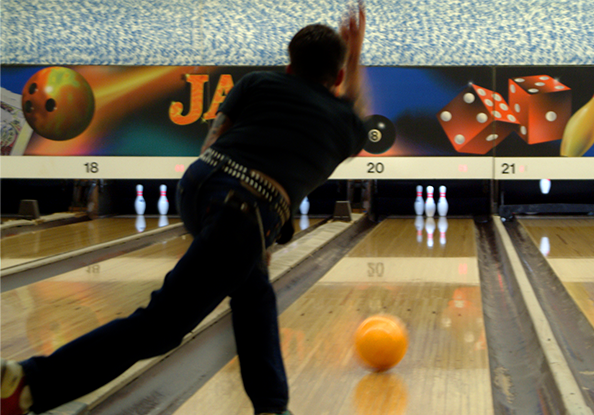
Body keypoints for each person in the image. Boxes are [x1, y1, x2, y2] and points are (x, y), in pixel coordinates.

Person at [1, 3, 368, 415]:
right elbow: (353, 105)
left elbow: (213, 139)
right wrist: (355, 57)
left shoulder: (259, 82)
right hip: (244, 210)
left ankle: (271, 405)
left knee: (254, 295)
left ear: (288, 66)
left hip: (199, 185)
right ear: (335, 77)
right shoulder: (344, 122)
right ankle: (27, 382)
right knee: (161, 327)